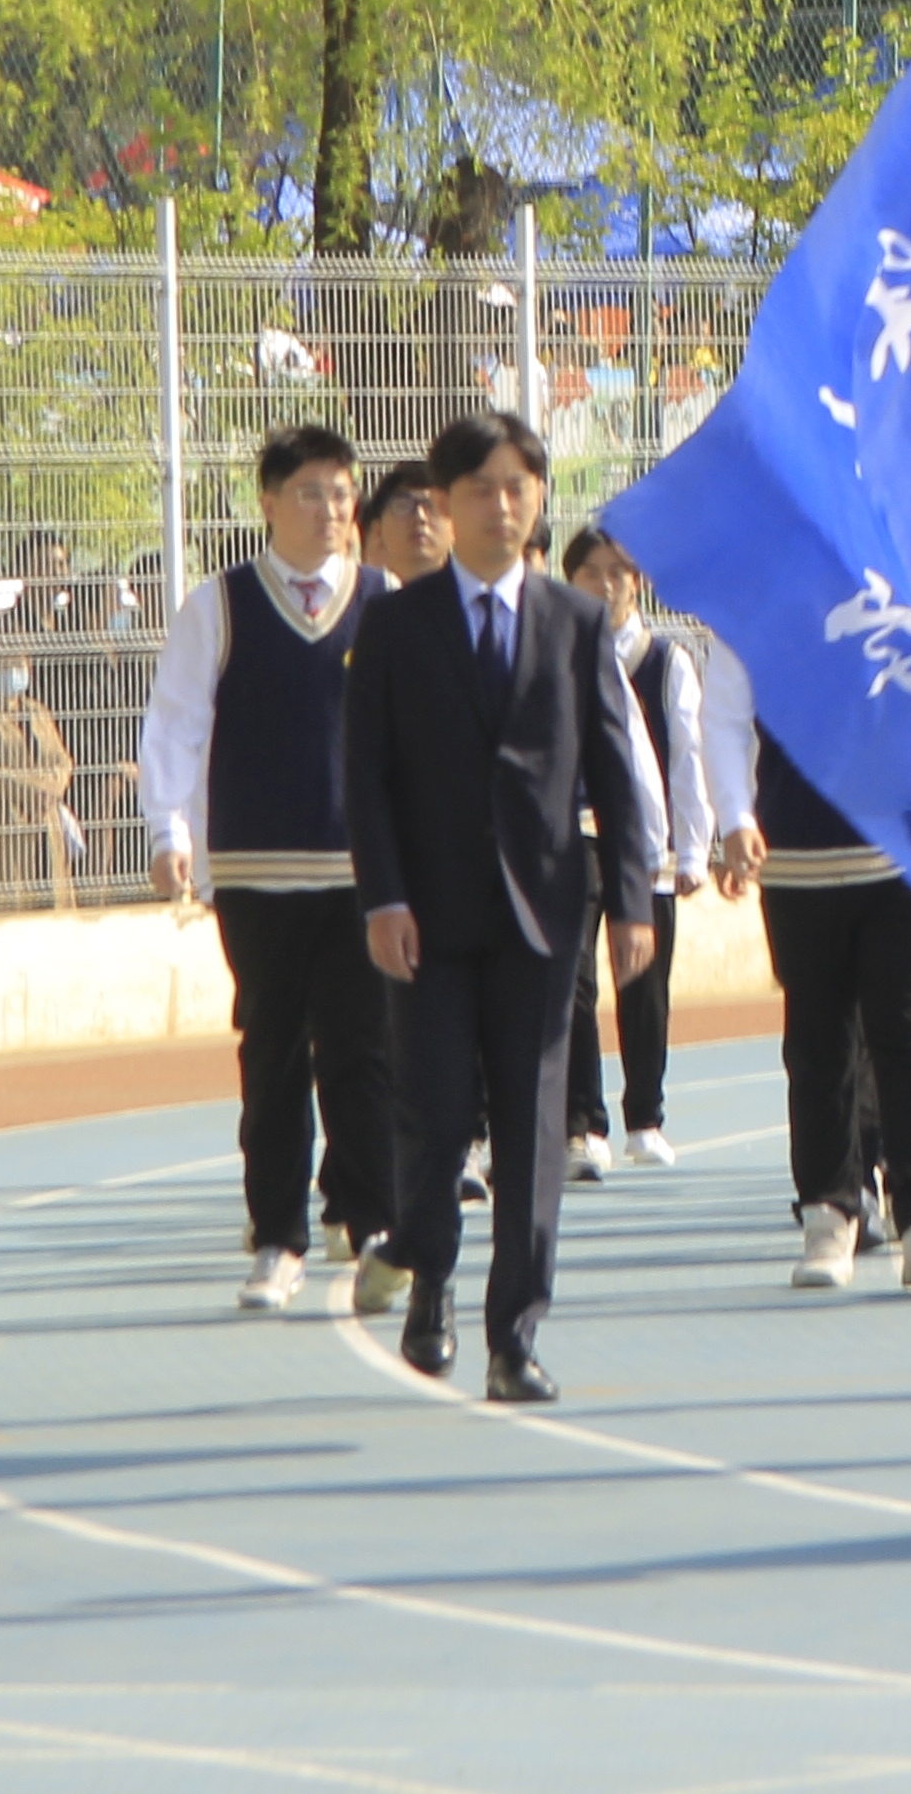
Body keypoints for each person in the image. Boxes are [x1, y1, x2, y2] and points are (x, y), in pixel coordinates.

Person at [342, 411, 656, 1400]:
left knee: (530, 1132)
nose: (500, 504)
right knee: (435, 1116)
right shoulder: (396, 624)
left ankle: (514, 1335)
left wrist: (634, 901)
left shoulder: (576, 622)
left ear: (538, 497)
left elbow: (616, 768)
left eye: (517, 485)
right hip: (426, 920)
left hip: (544, 917)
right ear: (443, 502)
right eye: (479, 488)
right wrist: (383, 896)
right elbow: (367, 776)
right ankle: (429, 1273)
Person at [140, 424, 403, 1314]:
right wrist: (168, 829)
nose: (329, 510)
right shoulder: (218, 605)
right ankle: (278, 1237)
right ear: (268, 501)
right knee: (274, 1053)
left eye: (341, 492)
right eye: (308, 492)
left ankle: (371, 1223)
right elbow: (176, 721)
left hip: (362, 873)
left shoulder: (385, 600)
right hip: (254, 868)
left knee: (364, 1052)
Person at [709, 640, 911, 1289]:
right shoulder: (760, 605)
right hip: (801, 862)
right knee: (818, 1041)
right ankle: (829, 1214)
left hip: (905, 854)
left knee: (907, 1033)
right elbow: (723, 713)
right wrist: (734, 815)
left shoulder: (908, 590)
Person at [560, 529, 704, 1175]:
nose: (605, 584)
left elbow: (687, 755)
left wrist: (691, 847)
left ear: (637, 583)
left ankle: (645, 1116)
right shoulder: (557, 649)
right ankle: (582, 1124)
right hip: (575, 834)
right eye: (590, 572)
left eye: (617, 572)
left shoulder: (664, 659)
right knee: (573, 979)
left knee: (643, 982)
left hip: (646, 842)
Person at [0, 641, 76, 912]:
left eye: (20, 663)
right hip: (4, 825)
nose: (15, 669)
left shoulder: (37, 712)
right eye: (8, 663)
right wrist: (29, 789)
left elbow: (62, 760)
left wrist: (52, 786)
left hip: (46, 819)